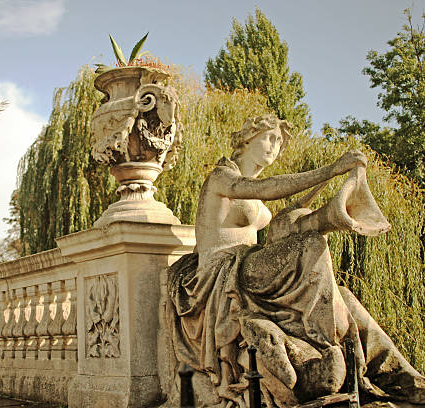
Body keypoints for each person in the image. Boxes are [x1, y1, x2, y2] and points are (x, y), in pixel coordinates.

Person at [168, 114, 424, 406]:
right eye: (269, 138)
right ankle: (320, 346)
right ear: (246, 139)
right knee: (310, 244)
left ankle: (402, 378)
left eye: (278, 142)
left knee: (344, 298)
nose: (274, 147)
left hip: (248, 266)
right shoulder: (223, 176)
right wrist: (330, 170)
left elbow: (282, 216)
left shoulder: (250, 190)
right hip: (224, 272)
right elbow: (268, 188)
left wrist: (334, 182)